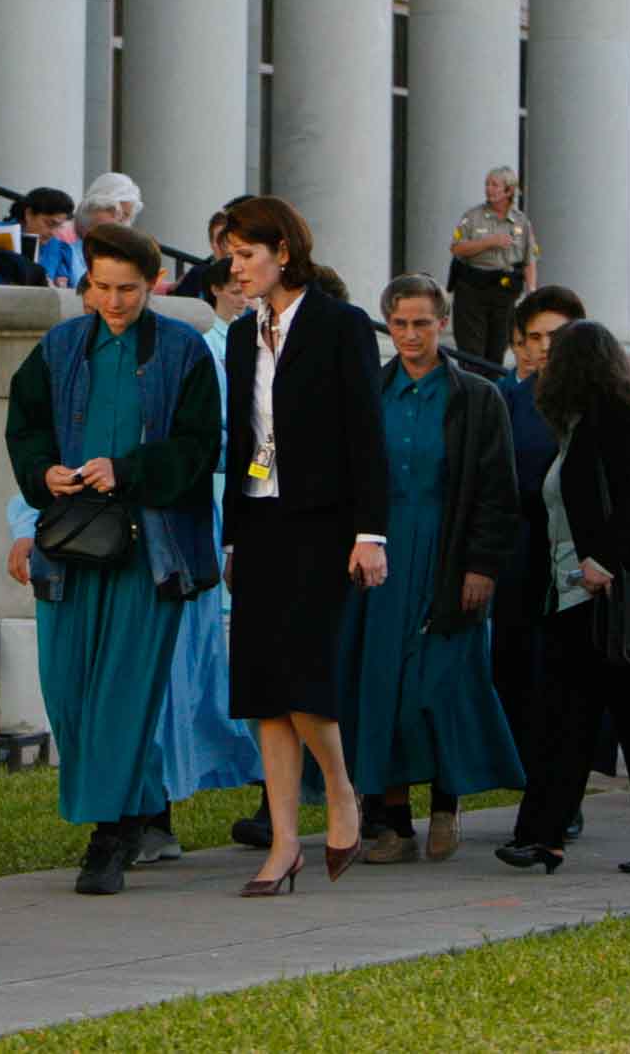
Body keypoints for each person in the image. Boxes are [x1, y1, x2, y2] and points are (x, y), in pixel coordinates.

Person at [4, 223, 222, 894]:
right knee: (67, 688)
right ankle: (136, 809)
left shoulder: (184, 351)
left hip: (147, 548)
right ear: (85, 283)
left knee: (125, 692)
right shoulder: (59, 345)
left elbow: (197, 448)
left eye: (128, 289)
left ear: (152, 285)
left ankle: (111, 833)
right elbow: (25, 427)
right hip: (69, 542)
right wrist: (46, 474)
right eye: (102, 287)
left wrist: (125, 469)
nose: (115, 301)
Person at [221, 196, 382, 895]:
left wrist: (369, 533)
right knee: (263, 689)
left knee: (305, 680)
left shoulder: (342, 327)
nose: (236, 269)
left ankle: (341, 792)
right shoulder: (238, 335)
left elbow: (366, 436)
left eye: (246, 255)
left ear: (283, 252)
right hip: (258, 520)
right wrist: (230, 534)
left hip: (325, 524)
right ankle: (284, 843)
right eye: (231, 256)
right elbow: (240, 439)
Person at [337, 275, 523, 864]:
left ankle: (447, 801)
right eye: (400, 324)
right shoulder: (370, 392)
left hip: (448, 552)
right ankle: (391, 818)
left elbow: (498, 490)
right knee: (382, 686)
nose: (412, 335)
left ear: (442, 322)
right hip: (381, 557)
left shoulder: (477, 396)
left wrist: (482, 566)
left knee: (441, 684)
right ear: (387, 327)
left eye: (422, 323)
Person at [497, 320, 630, 876]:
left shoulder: (614, 419)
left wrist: (602, 559)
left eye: (556, 356)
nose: (545, 365)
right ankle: (542, 835)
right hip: (574, 597)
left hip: (614, 595)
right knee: (564, 720)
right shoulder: (578, 425)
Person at [491, 285, 585, 841]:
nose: (545, 348)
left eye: (558, 336)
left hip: (576, 557)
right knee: (517, 672)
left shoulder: (594, 401)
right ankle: (535, 784)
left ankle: (562, 795)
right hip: (518, 554)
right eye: (535, 338)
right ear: (518, 344)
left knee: (567, 680)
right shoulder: (503, 400)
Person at [448, 166, 538, 364]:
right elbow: (457, 248)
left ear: (508, 190)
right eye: (487, 184)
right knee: (471, 351)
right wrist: (489, 242)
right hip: (473, 288)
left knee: (497, 349)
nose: (489, 189)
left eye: (494, 185)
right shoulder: (472, 217)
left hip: (504, 291)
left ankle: (491, 390)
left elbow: (529, 259)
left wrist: (531, 292)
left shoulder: (521, 222)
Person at [5, 187, 79, 287]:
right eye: (50, 224)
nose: (54, 232)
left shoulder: (59, 248)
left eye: (59, 226)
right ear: (29, 214)